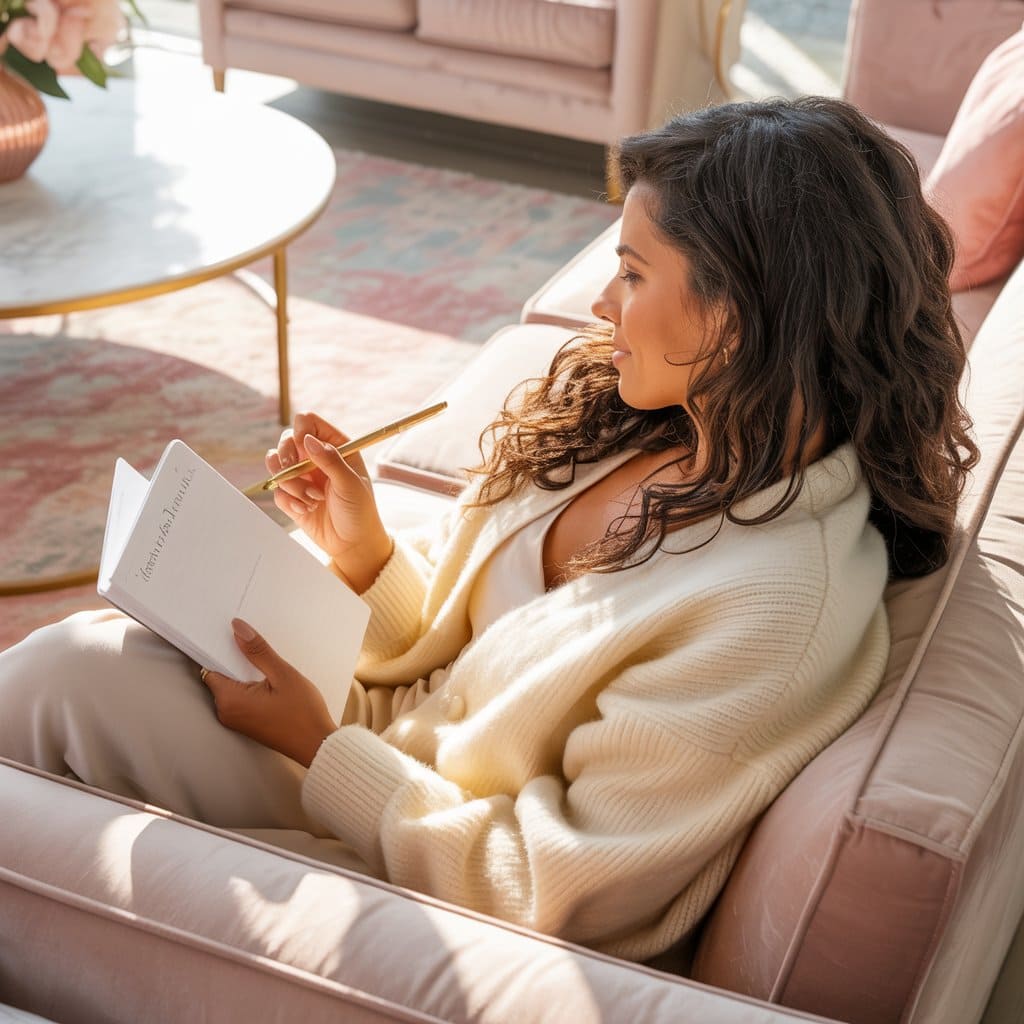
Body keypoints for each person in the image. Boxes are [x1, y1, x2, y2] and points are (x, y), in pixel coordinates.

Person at [0, 96, 977, 962]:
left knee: (56, 694)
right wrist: (367, 551)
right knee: (68, 666)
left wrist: (320, 745)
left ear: (739, 313)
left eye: (633, 274)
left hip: (406, 828)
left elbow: (560, 888)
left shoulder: (776, 605)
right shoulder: (663, 427)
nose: (601, 305)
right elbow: (478, 641)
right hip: (375, 742)